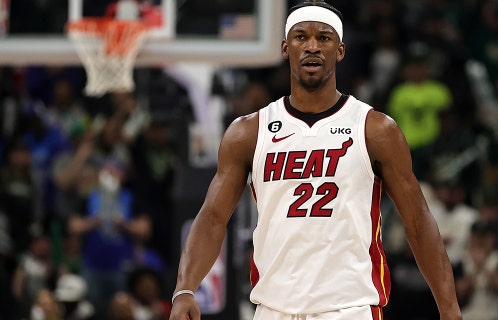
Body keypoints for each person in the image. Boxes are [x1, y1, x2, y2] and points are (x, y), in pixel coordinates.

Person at [169, 1, 461, 320]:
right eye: (300, 37)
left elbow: (418, 221)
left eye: (324, 38)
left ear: (340, 50)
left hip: (348, 307)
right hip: (273, 308)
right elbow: (212, 218)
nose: (312, 46)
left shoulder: (374, 129)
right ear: (284, 47)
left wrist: (449, 309)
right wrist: (185, 289)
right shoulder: (248, 132)